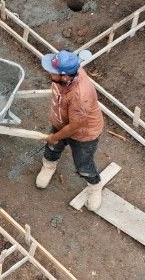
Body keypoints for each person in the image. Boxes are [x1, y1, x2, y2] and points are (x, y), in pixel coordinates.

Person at [35, 49, 105, 209]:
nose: (49, 73)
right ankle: (49, 165)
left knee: (83, 164)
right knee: (52, 148)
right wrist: (56, 136)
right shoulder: (67, 75)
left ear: (65, 76)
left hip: (83, 134)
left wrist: (55, 136)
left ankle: (94, 186)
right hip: (61, 123)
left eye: (53, 72)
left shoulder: (80, 96)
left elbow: (74, 127)